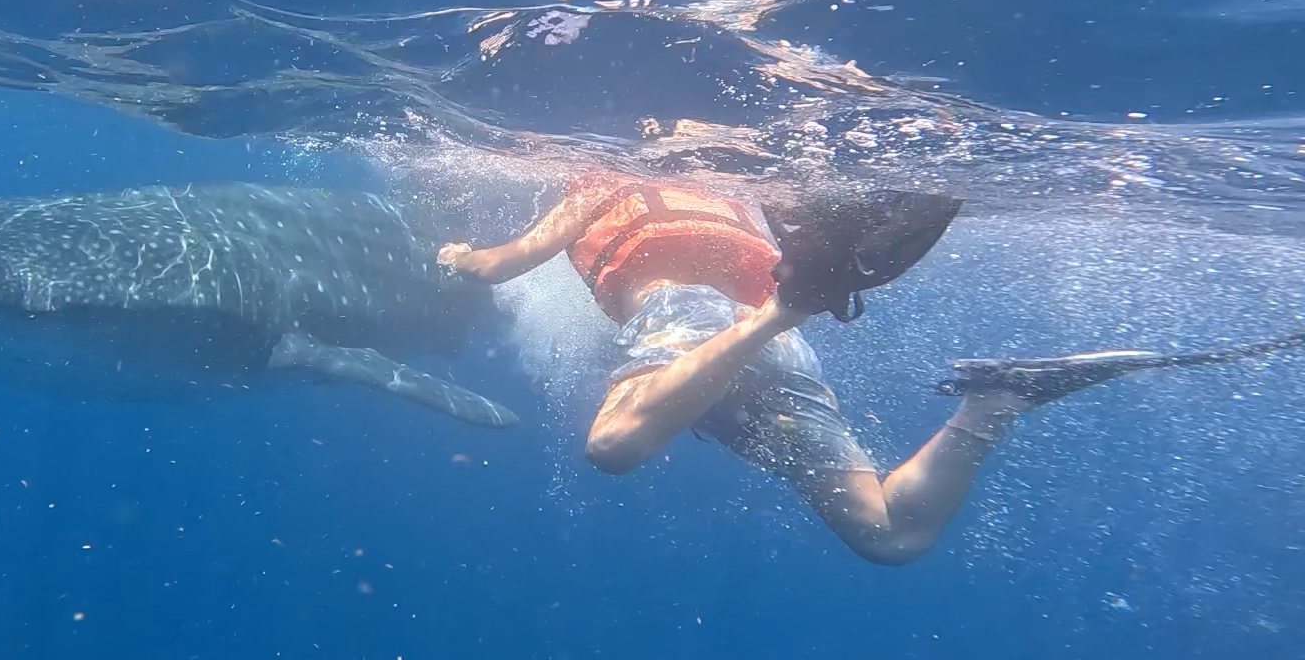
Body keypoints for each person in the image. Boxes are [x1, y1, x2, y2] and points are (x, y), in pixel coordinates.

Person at [438, 171, 1305, 565]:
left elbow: (497, 267)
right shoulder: (735, 187)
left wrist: (454, 255)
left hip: (704, 320)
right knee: (891, 535)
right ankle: (993, 405)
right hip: (773, 342)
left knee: (615, 444)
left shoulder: (593, 187)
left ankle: (787, 307)